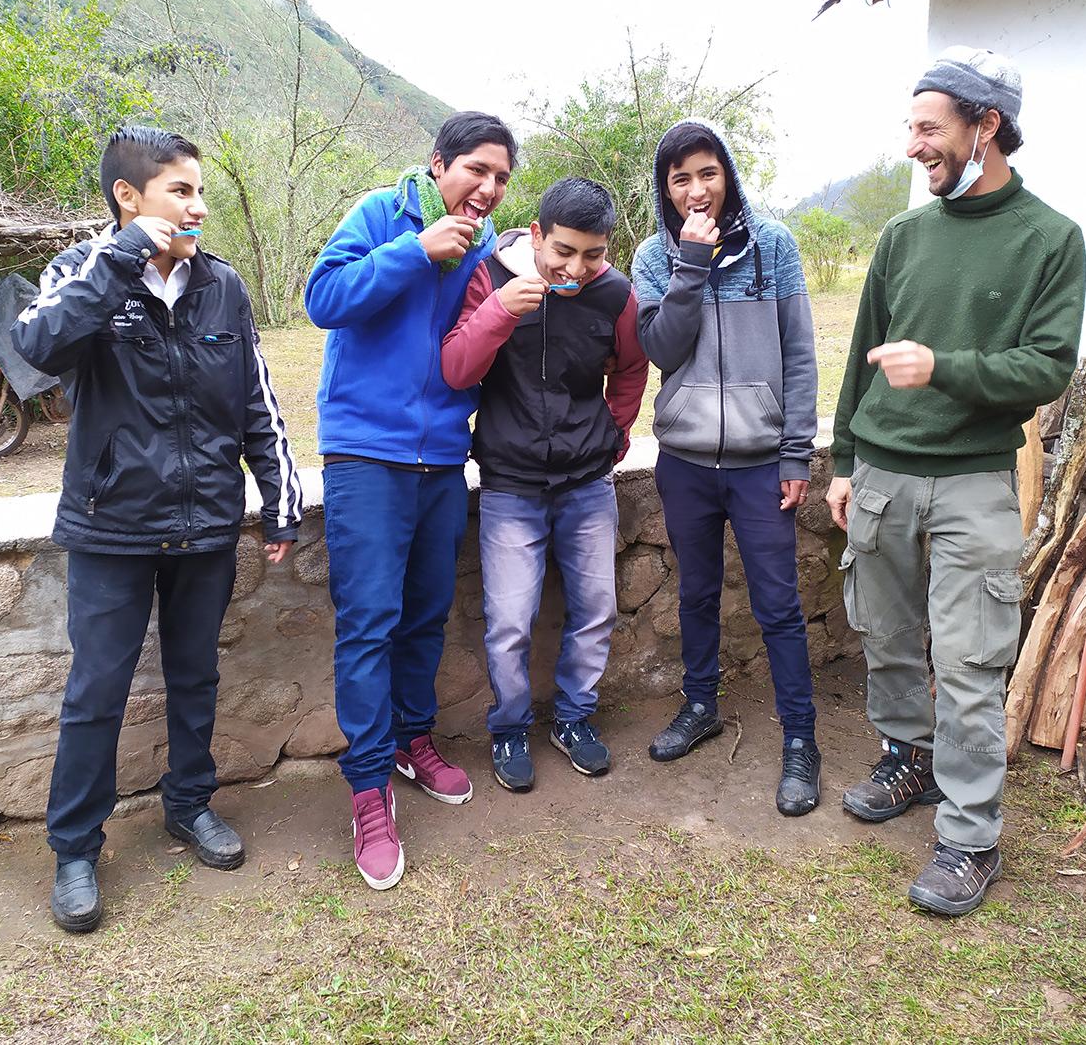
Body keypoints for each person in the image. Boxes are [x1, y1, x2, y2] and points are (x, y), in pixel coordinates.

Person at [12, 124, 303, 933]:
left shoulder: (223, 285)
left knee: (196, 678)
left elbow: (256, 398)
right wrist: (119, 259)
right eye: (181, 191)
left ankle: (189, 805)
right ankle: (74, 848)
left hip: (205, 523)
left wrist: (279, 495)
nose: (198, 206)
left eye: (200, 191)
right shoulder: (81, 270)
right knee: (96, 691)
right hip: (111, 526)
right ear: (128, 197)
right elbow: (35, 347)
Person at [827, 47, 1086, 917]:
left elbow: (1047, 367)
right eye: (911, 128)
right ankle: (908, 760)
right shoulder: (904, 236)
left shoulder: (1051, 238)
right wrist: (843, 463)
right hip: (882, 475)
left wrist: (943, 365)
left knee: (972, 659)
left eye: (928, 128)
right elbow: (861, 358)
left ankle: (971, 834)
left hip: (975, 480)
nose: (913, 145)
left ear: (988, 127)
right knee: (890, 635)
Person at [305, 111, 516, 890]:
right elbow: (321, 298)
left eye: (501, 178)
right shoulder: (379, 214)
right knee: (368, 622)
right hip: (365, 451)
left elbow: (468, 352)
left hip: (441, 456)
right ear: (438, 164)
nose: (488, 189)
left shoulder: (489, 249)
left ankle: (410, 739)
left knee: (425, 613)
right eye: (476, 171)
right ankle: (367, 788)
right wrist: (412, 252)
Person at [632, 119, 823, 816]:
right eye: (679, 178)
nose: (695, 189)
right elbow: (661, 347)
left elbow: (800, 356)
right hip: (685, 461)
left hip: (760, 462)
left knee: (778, 604)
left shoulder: (774, 248)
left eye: (706, 173)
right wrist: (689, 263)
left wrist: (795, 450)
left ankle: (801, 739)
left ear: (728, 175)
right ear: (667, 189)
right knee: (696, 593)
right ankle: (701, 704)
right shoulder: (654, 256)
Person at [440, 177, 649, 792]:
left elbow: (633, 367)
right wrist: (501, 311)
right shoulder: (489, 278)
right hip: (509, 485)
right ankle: (508, 727)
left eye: (594, 253)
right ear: (536, 235)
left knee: (597, 610)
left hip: (588, 482)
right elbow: (455, 368)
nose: (577, 268)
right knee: (508, 620)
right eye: (563, 251)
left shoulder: (615, 294)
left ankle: (575, 718)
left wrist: (614, 436)